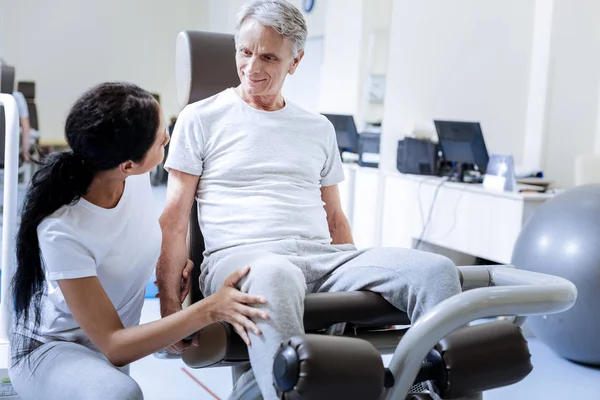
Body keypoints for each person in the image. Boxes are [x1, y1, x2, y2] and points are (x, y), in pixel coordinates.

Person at [158, 1, 469, 399]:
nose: (253, 66)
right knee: (277, 274)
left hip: (322, 258)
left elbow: (335, 219)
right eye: (245, 52)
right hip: (244, 260)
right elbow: (174, 219)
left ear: (296, 60)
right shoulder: (200, 118)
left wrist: (357, 295)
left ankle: (427, 390)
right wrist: (171, 313)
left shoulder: (317, 127)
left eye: (269, 56)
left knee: (437, 271)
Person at [8, 82, 269, 400]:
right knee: (121, 394)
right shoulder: (62, 229)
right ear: (127, 164)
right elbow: (116, 346)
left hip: (106, 352)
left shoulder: (132, 177)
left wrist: (173, 277)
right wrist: (210, 309)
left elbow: (143, 238)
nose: (168, 138)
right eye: (161, 139)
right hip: (52, 351)